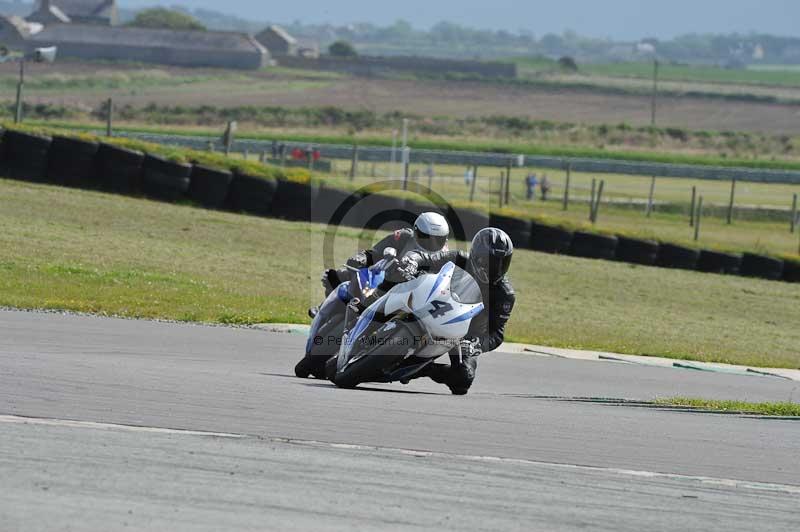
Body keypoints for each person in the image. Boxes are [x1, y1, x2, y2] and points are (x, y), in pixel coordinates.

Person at [403, 228, 515, 395]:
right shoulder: (459, 259)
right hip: (433, 308)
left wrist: (476, 344)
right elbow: (427, 258)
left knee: (462, 380)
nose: (495, 268)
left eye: (501, 262)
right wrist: (412, 261)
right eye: (490, 261)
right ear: (476, 255)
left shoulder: (504, 294)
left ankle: (419, 369)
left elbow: (497, 334)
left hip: (464, 336)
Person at [317, 212, 451, 301]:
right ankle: (324, 309)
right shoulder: (404, 237)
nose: (432, 243)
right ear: (416, 231)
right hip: (383, 282)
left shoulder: (446, 257)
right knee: (342, 275)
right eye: (426, 237)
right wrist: (362, 258)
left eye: (438, 239)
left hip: (414, 297)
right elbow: (375, 253)